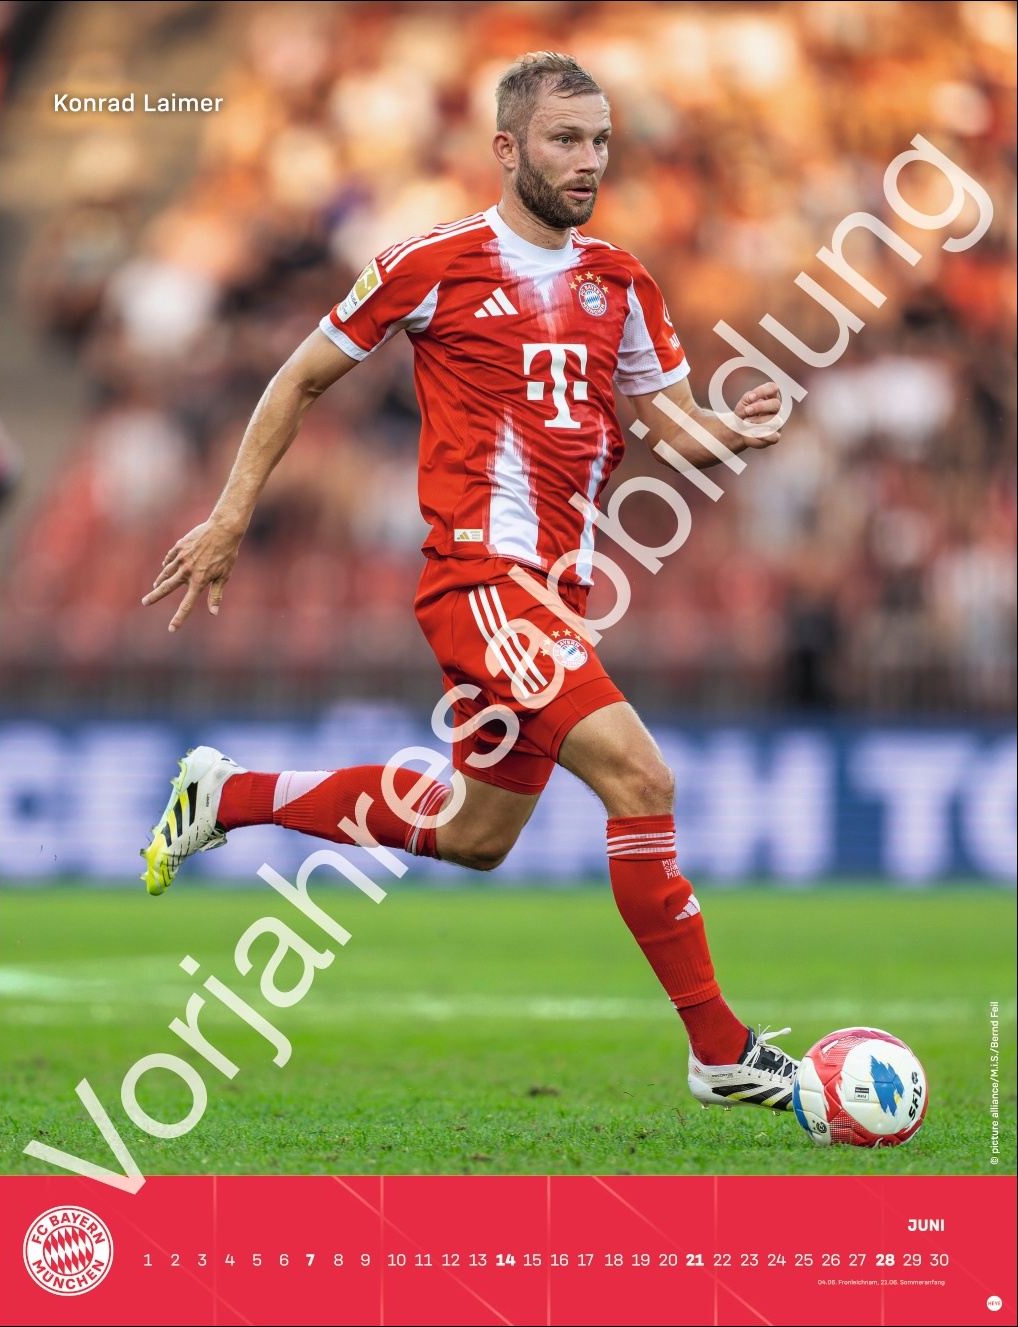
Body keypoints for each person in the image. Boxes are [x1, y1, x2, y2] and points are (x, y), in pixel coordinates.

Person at [141, 53, 797, 1111]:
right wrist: (230, 516)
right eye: (565, 139)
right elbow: (299, 378)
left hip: (555, 595)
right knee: (643, 781)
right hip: (481, 581)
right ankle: (720, 1049)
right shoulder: (433, 264)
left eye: (600, 141)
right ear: (506, 148)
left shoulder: (622, 280)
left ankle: (228, 794)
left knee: (474, 834)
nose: (589, 161)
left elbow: (670, 427)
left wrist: (730, 430)